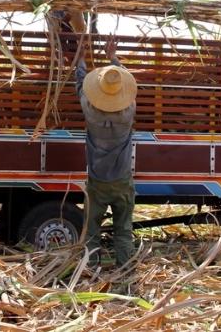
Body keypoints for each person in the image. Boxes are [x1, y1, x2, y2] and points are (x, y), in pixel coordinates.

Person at [75, 37, 137, 267]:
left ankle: (91, 271)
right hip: (122, 180)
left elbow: (80, 84)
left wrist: (80, 58)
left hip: (97, 181)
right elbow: (127, 85)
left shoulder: (90, 110)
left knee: (91, 232)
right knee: (123, 231)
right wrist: (113, 57)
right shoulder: (128, 112)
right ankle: (125, 273)